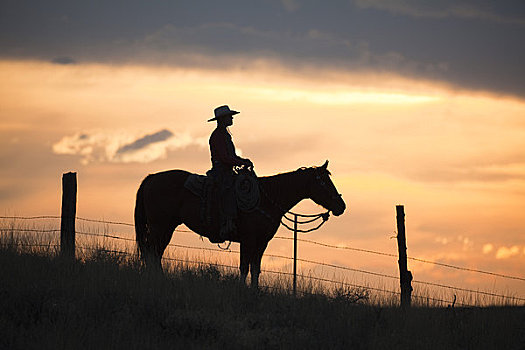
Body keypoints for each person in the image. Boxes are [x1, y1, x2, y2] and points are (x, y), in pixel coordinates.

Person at [207, 105, 253, 239]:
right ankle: (227, 223)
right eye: (229, 116)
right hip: (221, 171)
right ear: (222, 119)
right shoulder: (218, 136)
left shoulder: (224, 135)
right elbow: (224, 158)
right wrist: (241, 162)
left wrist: (243, 160)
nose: (231, 118)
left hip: (226, 169)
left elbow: (230, 157)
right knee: (228, 190)